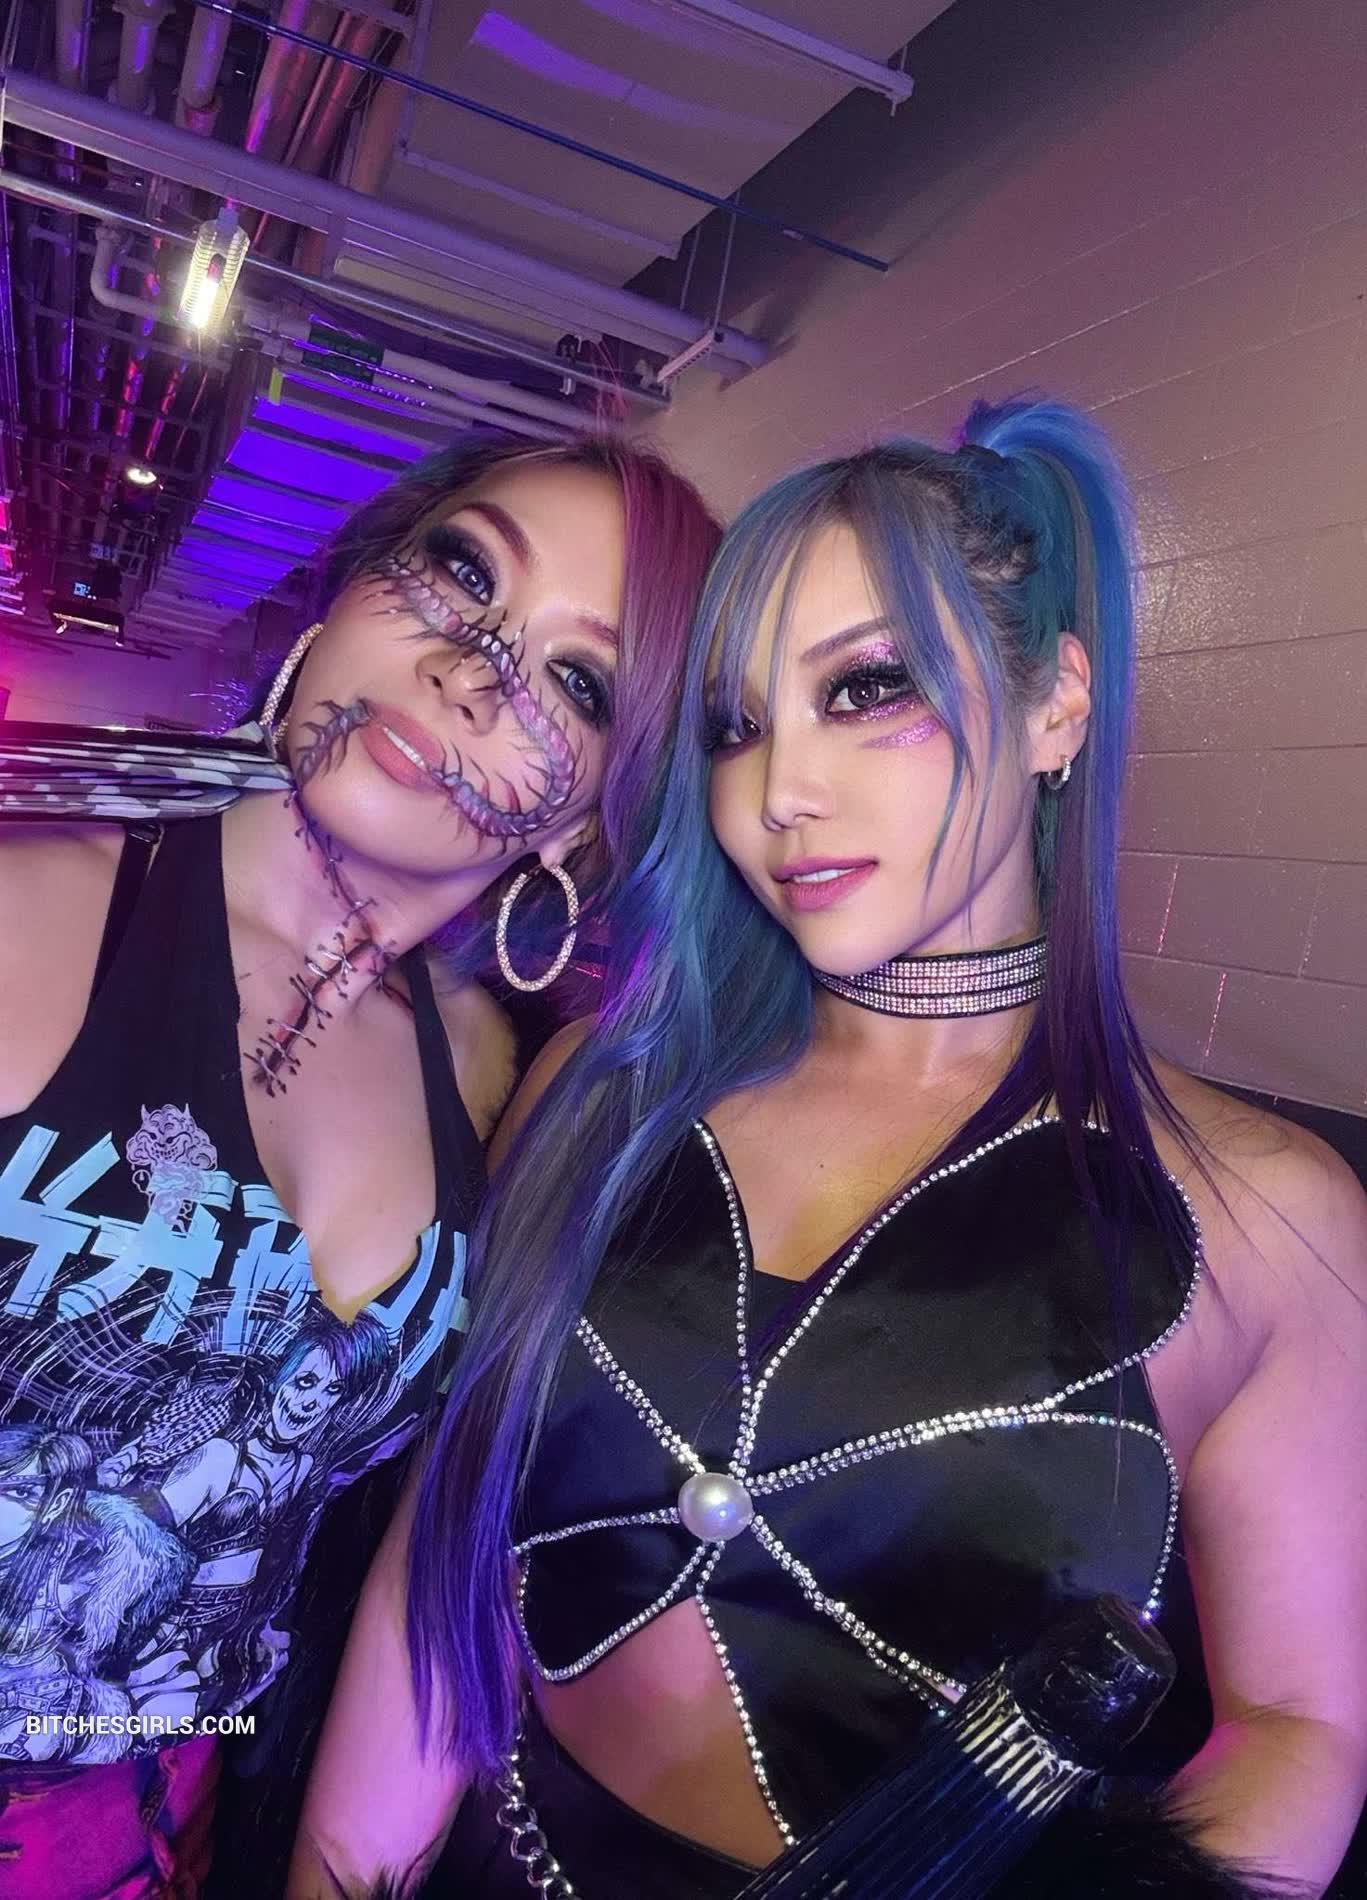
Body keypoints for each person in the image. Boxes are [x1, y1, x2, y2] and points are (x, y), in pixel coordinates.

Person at [293, 396, 1367, 1900]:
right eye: (736, 726)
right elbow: (444, 1558)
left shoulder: (1271, 1218)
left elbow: (1301, 1726)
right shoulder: (604, 1093)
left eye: (867, 689)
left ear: (1057, 706)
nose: (778, 793)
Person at [0, 430, 719, 1897]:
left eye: (579, 681)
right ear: (341, 595)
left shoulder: (495, 1077)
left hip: (164, 1831)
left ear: (597, 817)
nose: (472, 671)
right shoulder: (30, 903)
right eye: (461, 573)